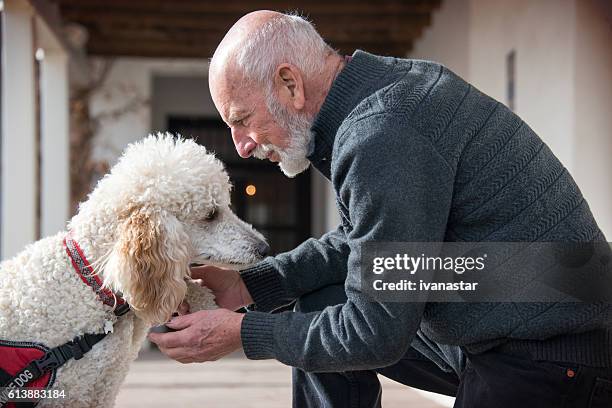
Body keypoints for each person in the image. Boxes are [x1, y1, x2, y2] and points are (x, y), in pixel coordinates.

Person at [148, 10, 612, 407]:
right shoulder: (380, 95)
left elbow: (376, 331)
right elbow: (364, 245)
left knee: (340, 323)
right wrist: (248, 287)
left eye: (242, 120)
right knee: (322, 300)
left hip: (553, 355)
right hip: (497, 315)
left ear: (290, 83)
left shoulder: (382, 134)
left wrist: (243, 335)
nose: (242, 147)